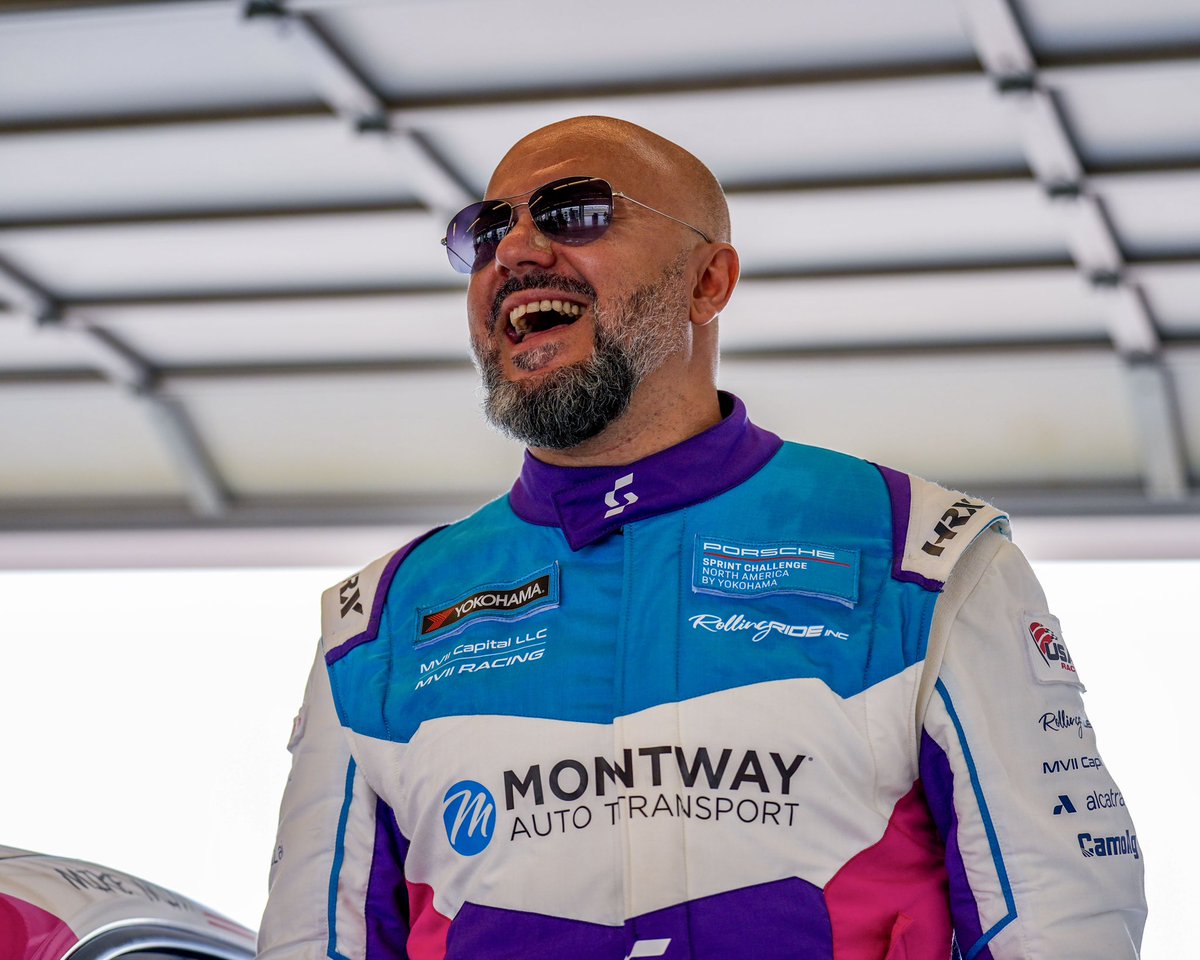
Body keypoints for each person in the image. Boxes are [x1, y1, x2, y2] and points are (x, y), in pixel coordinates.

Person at [258, 117, 1146, 960]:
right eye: (486, 233)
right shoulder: (377, 622)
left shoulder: (925, 551)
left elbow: (1062, 915)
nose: (517, 252)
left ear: (708, 283)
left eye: (575, 213)